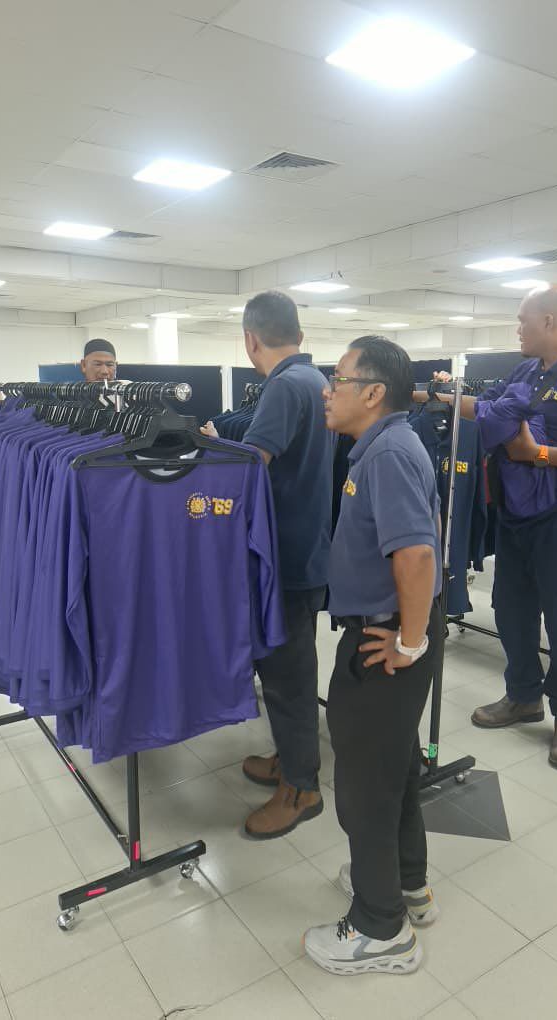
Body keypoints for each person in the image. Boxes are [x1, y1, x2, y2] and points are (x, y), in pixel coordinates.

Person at [418, 284, 557, 769]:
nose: (517, 330)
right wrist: (434, 396)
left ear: (549, 321)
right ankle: (524, 696)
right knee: (512, 611)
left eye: (522, 320)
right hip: (516, 516)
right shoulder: (525, 372)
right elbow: (485, 409)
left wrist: (540, 454)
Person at [303, 336, 442, 976]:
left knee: (364, 786)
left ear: (374, 392)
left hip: (386, 639)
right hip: (389, 630)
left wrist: (409, 641)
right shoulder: (381, 447)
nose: (327, 391)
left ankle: (380, 928)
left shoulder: (387, 453)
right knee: (394, 770)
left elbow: (415, 554)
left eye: (338, 379)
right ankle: (406, 885)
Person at [201, 291, 332, 838]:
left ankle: (302, 789)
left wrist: (208, 451)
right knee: (288, 671)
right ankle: (290, 760)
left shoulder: (284, 387)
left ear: (250, 340)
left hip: (285, 559)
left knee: (287, 678)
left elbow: (253, 465)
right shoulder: (316, 380)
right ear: (298, 334)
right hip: (304, 549)